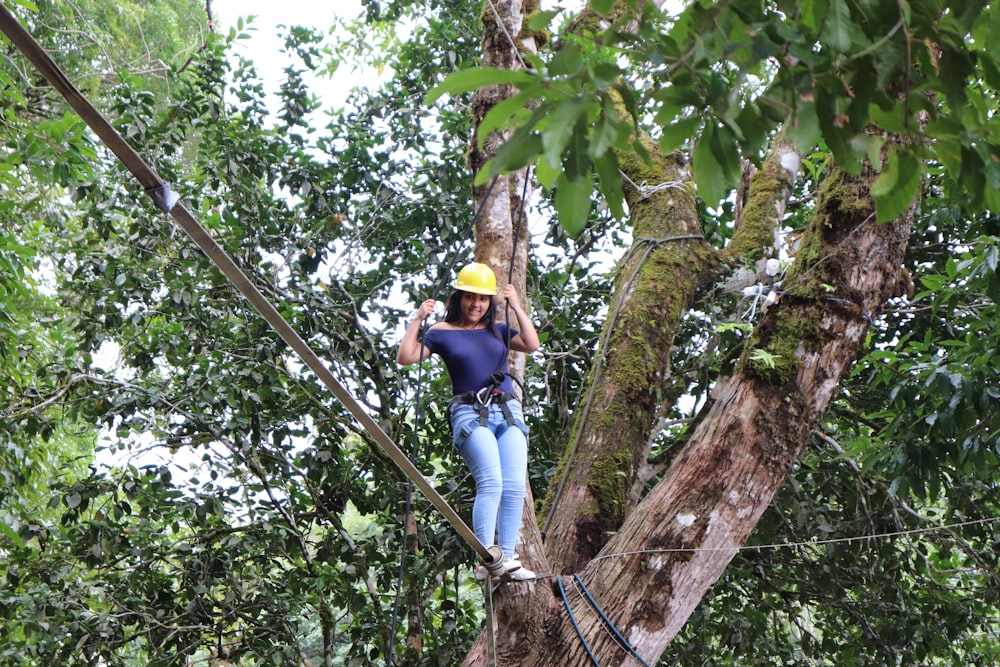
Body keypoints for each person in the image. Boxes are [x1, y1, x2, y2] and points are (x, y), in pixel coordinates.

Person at [397, 262, 540, 581]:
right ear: (459, 297)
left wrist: (515, 305)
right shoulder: (441, 333)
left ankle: (509, 558)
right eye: (470, 297)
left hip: (507, 410)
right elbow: (406, 357)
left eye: (484, 299)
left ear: (490, 303)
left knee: (515, 484)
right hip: (469, 411)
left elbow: (532, 344)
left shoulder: (499, 330)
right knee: (492, 482)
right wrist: (418, 319)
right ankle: (488, 560)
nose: (476, 304)